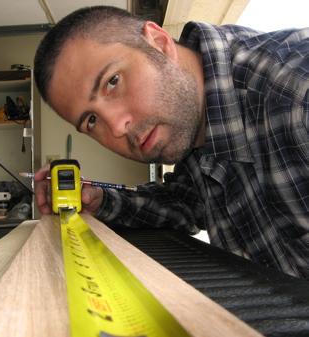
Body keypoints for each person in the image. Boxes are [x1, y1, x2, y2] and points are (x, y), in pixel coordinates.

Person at [33, 6, 309, 279]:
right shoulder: (196, 128)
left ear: (160, 43)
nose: (117, 127)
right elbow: (188, 203)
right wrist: (100, 202)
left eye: (112, 82)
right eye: (92, 120)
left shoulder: (298, 95)